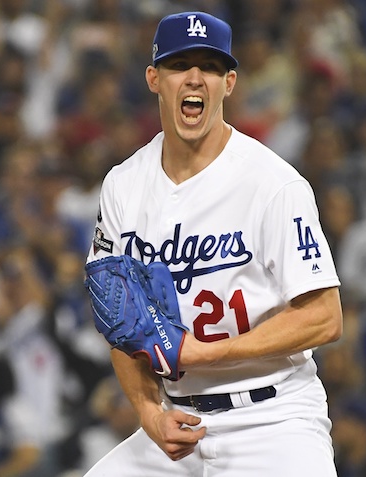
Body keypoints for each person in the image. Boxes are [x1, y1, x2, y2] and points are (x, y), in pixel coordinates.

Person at [83, 10, 343, 477]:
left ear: (230, 83)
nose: (195, 78)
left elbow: (325, 317)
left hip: (274, 418)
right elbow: (121, 322)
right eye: (181, 65)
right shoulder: (123, 186)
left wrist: (201, 353)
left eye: (210, 66)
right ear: (154, 79)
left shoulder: (274, 184)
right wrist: (148, 413)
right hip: (177, 422)